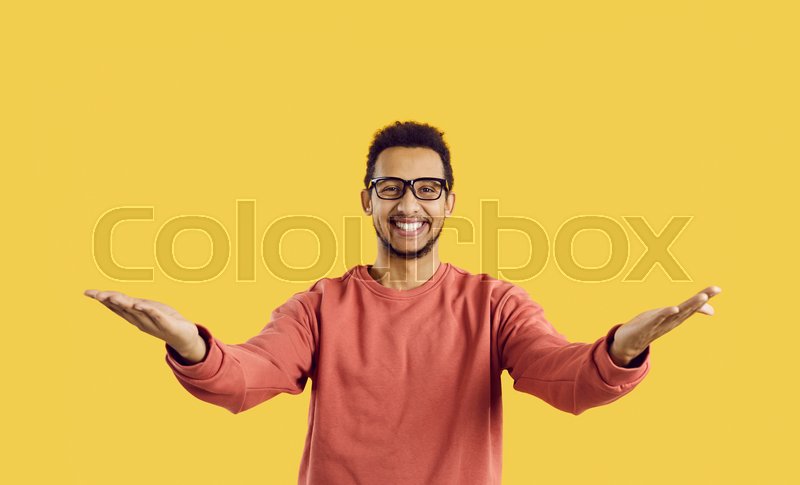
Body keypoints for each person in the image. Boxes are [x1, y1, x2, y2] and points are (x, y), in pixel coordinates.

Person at [84, 120, 722, 485]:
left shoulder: (493, 304)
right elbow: (246, 377)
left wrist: (621, 350)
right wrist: (188, 342)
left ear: (449, 201)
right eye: (390, 187)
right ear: (367, 200)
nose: (408, 204)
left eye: (426, 188)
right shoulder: (320, 307)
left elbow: (563, 376)